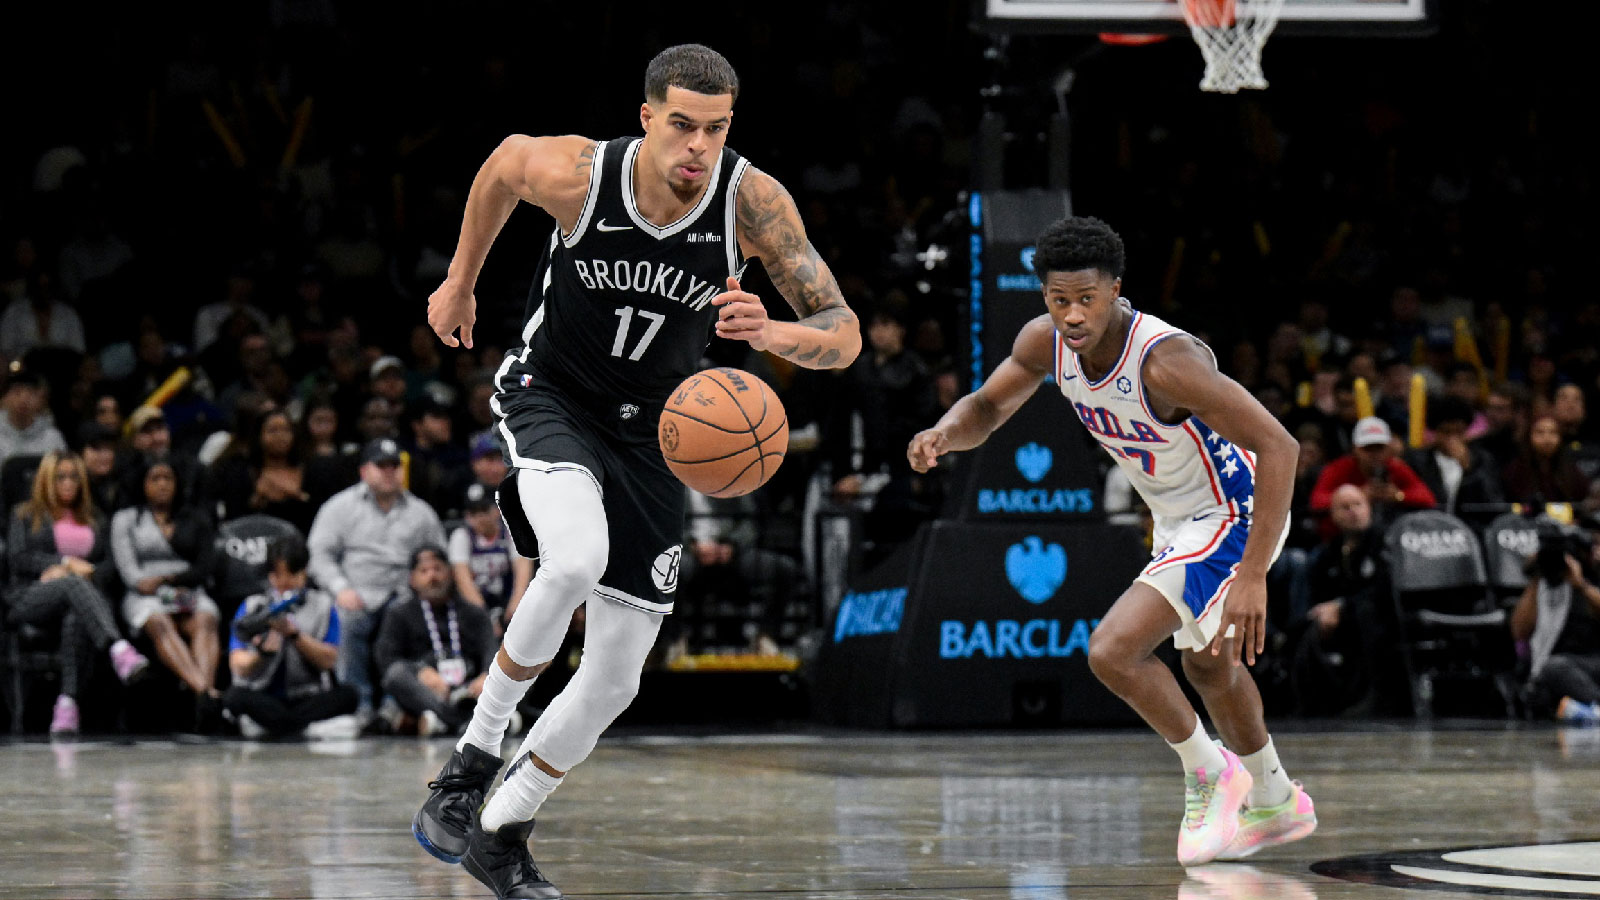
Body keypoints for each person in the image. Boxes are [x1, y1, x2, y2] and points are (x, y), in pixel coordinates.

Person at [412, 44, 861, 899]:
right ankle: (470, 762)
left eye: (717, 129)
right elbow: (504, 161)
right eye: (683, 125)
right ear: (648, 117)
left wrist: (769, 335)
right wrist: (460, 280)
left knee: (617, 676)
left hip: (658, 435)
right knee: (573, 559)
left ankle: (503, 831)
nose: (699, 146)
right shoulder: (584, 173)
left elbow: (843, 332)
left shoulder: (752, 202)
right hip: (556, 400)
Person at [906, 216, 1313, 866]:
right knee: (1207, 667)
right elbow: (987, 407)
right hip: (1181, 521)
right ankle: (1275, 797)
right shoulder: (1045, 342)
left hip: (1232, 512)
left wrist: (1255, 573)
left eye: (1086, 300)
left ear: (1116, 290)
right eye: (1058, 300)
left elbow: (1280, 445)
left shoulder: (1166, 363)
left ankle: (1211, 771)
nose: (1071, 315)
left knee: (1113, 650)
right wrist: (945, 432)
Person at [3, 451, 149, 735]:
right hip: (31, 596)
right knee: (72, 583)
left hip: (82, 601)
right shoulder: (24, 514)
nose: (68, 483)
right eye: (60, 477)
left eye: (73, 477)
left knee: (75, 614)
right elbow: (18, 557)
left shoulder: (94, 518)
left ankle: (67, 706)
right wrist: (63, 564)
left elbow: (109, 564)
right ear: (46, 480)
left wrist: (88, 571)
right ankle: (118, 648)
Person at [307, 437, 447, 714]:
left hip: (405, 595)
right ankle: (357, 704)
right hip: (356, 593)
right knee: (346, 620)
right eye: (381, 465)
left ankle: (398, 706)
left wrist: (424, 585)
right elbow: (319, 555)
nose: (389, 471)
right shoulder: (340, 507)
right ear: (364, 471)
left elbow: (438, 557)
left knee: (411, 617)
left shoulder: (421, 513)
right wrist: (340, 588)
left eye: (394, 465)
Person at [109, 458, 224, 715]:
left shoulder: (195, 517)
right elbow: (131, 574)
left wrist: (169, 581)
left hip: (187, 590)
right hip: (143, 595)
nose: (162, 485)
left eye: (167, 478)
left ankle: (204, 696)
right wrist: (160, 585)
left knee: (205, 620)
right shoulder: (126, 520)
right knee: (160, 623)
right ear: (142, 484)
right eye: (155, 479)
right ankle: (205, 692)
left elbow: (205, 566)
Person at [224, 534, 359, 738]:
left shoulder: (323, 606)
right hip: (264, 695)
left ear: (304, 573)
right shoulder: (252, 606)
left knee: (349, 695)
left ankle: (277, 727)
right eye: (277, 576)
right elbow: (238, 665)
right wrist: (261, 655)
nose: (284, 582)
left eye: (291, 576)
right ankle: (304, 728)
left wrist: (295, 636)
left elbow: (329, 661)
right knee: (234, 697)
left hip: (307, 695)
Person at [374, 546, 499, 737]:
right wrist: (419, 671)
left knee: (514, 666)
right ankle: (462, 721)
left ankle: (445, 721)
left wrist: (486, 675)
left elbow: (490, 648)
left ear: (450, 573)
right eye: (424, 571)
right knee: (396, 675)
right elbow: (386, 658)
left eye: (438, 569)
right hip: (429, 691)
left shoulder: (473, 612)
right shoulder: (399, 613)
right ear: (412, 579)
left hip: (470, 688)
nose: (432, 576)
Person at [1309, 416, 1436, 540]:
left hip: (1389, 534)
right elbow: (1317, 502)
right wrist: (1357, 496)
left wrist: (1397, 495)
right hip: (1341, 537)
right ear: (1355, 449)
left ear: (1388, 448)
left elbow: (1427, 498)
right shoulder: (1339, 468)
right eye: (1368, 448)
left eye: (1379, 448)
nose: (1375, 455)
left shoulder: (1395, 467)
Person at [448, 482, 532, 631]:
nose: (480, 517)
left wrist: (515, 607)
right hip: (475, 605)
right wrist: (485, 618)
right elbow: (463, 580)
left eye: (484, 510)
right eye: (473, 513)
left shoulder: (511, 532)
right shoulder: (461, 536)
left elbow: (523, 570)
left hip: (509, 601)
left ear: (496, 510)